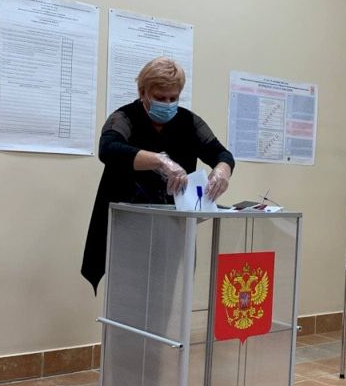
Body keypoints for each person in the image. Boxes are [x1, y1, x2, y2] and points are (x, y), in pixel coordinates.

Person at [81, 57, 234, 293]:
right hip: (129, 224)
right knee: (128, 294)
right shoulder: (124, 118)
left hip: (172, 227)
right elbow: (108, 149)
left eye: (173, 98)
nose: (168, 104)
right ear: (143, 92)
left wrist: (222, 171)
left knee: (165, 293)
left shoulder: (189, 122)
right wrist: (161, 161)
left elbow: (220, 153)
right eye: (160, 98)